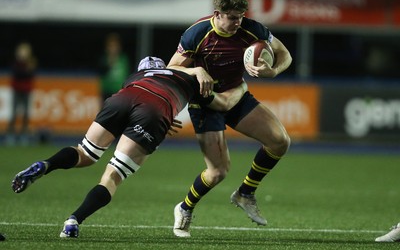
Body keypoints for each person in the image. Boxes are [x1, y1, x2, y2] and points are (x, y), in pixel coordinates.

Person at [11, 56, 248, 238]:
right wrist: (241, 88)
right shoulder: (186, 76)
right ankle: (73, 221)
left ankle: (46, 164)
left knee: (84, 152)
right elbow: (221, 103)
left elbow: (140, 99)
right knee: (112, 176)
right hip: (156, 109)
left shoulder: (135, 76)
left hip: (123, 97)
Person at [167, 0, 292, 237]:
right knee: (217, 172)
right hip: (205, 102)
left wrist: (273, 71)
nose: (238, 23)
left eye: (241, 17)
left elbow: (285, 54)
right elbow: (172, 69)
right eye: (233, 18)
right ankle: (184, 207)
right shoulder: (197, 34)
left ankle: (245, 193)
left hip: (236, 95)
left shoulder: (252, 29)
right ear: (217, 14)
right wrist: (195, 69)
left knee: (280, 141)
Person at [6, 41, 37, 145]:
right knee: (14, 113)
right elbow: (18, 74)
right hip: (17, 90)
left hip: (27, 90)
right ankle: (10, 135)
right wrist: (26, 71)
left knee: (26, 114)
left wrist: (27, 71)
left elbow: (31, 75)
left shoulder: (31, 62)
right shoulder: (17, 63)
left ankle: (24, 135)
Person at [98, 33, 131, 101]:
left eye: (115, 46)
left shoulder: (123, 59)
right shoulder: (104, 59)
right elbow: (101, 72)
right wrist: (109, 63)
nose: (113, 48)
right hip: (107, 91)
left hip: (120, 91)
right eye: (111, 46)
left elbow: (127, 75)